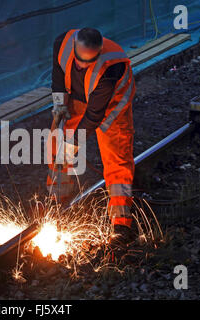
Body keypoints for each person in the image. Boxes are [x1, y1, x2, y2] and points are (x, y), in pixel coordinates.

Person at [47, 27, 136, 247]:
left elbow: (94, 115)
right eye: (79, 61)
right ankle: (56, 200)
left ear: (98, 52)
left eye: (89, 63)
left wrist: (74, 143)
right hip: (79, 97)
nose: (82, 66)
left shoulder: (110, 68)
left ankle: (121, 221)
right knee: (58, 144)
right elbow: (58, 74)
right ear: (75, 46)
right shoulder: (62, 42)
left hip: (112, 105)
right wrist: (59, 103)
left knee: (117, 160)